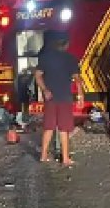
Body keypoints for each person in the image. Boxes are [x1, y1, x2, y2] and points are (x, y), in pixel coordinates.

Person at [34, 32, 82, 166]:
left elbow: (37, 75)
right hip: (64, 98)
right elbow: (77, 79)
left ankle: (43, 155)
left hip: (50, 98)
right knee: (64, 129)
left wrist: (45, 90)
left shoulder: (45, 58)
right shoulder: (71, 59)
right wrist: (80, 95)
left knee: (48, 127)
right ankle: (65, 158)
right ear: (66, 44)